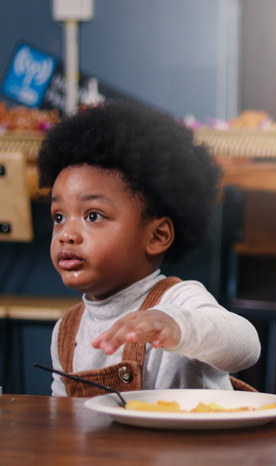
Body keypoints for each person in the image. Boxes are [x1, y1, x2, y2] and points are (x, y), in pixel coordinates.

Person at [37, 100, 261, 397]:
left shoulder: (178, 299)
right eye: (59, 217)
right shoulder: (67, 331)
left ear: (157, 236)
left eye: (93, 216)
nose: (66, 234)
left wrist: (178, 325)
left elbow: (246, 346)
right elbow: (64, 420)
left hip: (193, 443)